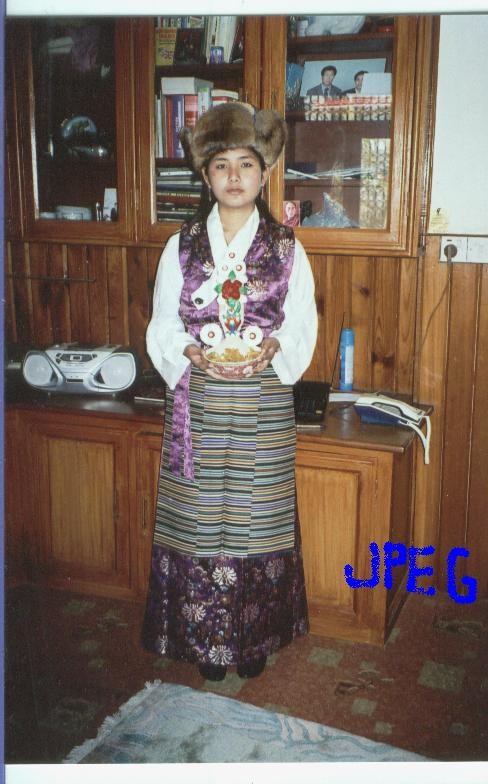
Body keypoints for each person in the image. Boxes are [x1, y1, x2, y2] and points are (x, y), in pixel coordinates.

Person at [141, 102, 318, 682]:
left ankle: (253, 638)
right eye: (222, 165)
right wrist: (189, 352)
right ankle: (203, 642)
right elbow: (163, 323)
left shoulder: (287, 248)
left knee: (255, 521)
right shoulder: (181, 246)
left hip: (262, 404)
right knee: (200, 520)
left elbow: (301, 322)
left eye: (246, 164)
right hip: (199, 402)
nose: (235, 176)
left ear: (264, 173)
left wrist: (273, 348)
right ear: (206, 175)